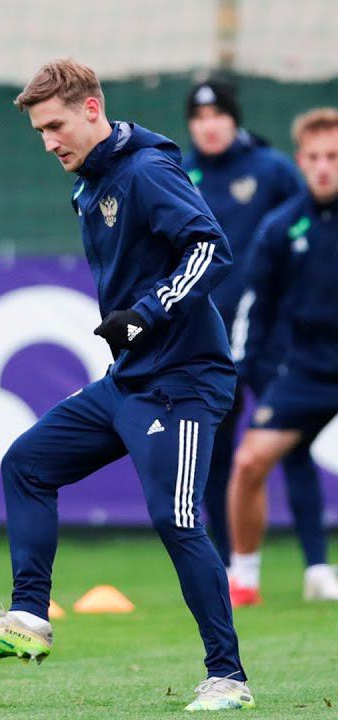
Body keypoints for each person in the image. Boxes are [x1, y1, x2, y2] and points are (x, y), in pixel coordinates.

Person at [0, 59, 253, 712]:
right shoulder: (90, 184)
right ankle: (28, 616)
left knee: (176, 518)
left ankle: (228, 677)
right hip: (131, 381)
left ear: (92, 109)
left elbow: (210, 248)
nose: (48, 142)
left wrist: (146, 312)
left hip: (183, 382)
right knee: (27, 463)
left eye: (55, 126)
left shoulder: (146, 171)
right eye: (39, 131)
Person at [181, 81, 337, 606]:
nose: (209, 125)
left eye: (219, 114)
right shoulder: (180, 174)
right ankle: (234, 569)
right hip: (220, 345)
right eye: (199, 116)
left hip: (282, 350)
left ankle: (317, 566)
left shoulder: (270, 171)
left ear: (235, 118)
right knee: (226, 456)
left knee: (294, 453)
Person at [227, 107, 338, 606]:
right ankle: (244, 578)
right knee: (250, 462)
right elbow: (257, 304)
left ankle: (317, 571)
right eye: (315, 157)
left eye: (333, 156)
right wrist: (244, 369)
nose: (323, 167)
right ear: (300, 160)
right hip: (307, 369)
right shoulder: (281, 226)